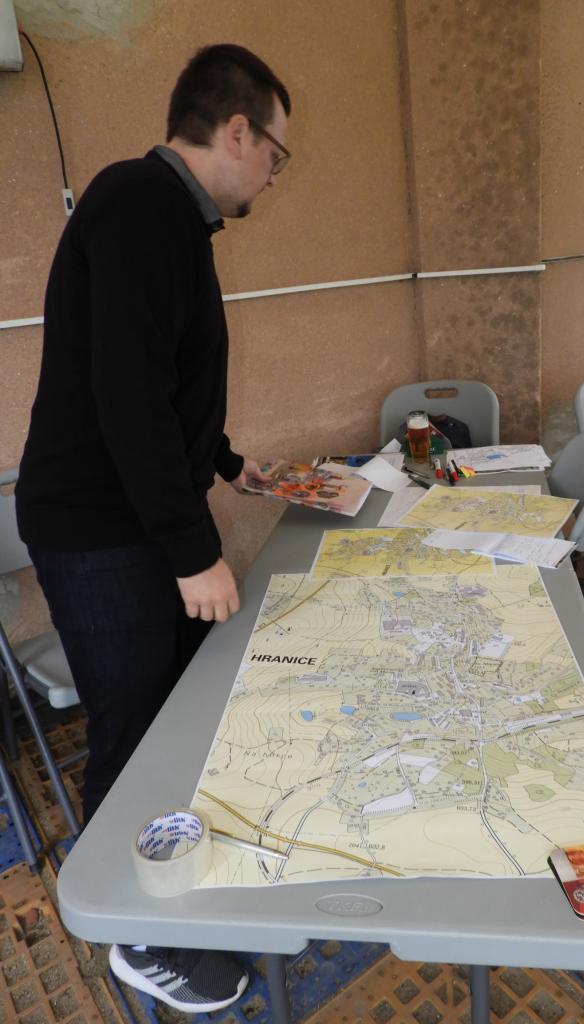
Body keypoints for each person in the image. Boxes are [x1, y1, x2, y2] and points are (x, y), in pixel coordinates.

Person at [15, 43, 291, 1014]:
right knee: (132, 728)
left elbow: (164, 383)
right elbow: (126, 395)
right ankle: (134, 935)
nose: (275, 173)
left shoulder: (170, 217)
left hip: (132, 517)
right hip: (100, 531)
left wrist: (226, 461)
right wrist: (193, 550)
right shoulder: (138, 203)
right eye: (277, 153)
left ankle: (172, 883)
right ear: (236, 131)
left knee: (174, 713)